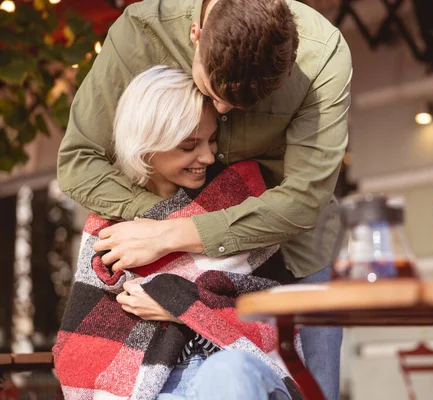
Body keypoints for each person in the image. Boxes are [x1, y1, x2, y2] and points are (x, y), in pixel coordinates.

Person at [57, 0, 351, 398]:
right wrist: (159, 224)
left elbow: (302, 200)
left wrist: (177, 230)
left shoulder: (324, 57)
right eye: (214, 93)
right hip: (154, 260)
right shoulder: (141, 33)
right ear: (196, 36)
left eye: (248, 105)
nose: (225, 110)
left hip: (294, 253)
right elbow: (79, 161)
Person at [55, 65, 297, 400]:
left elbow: (275, 312)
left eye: (212, 140)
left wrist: (179, 305)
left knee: (227, 373)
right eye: (189, 146)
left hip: (239, 374)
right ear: (147, 146)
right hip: (155, 385)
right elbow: (86, 342)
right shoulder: (109, 225)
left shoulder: (236, 197)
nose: (208, 156)